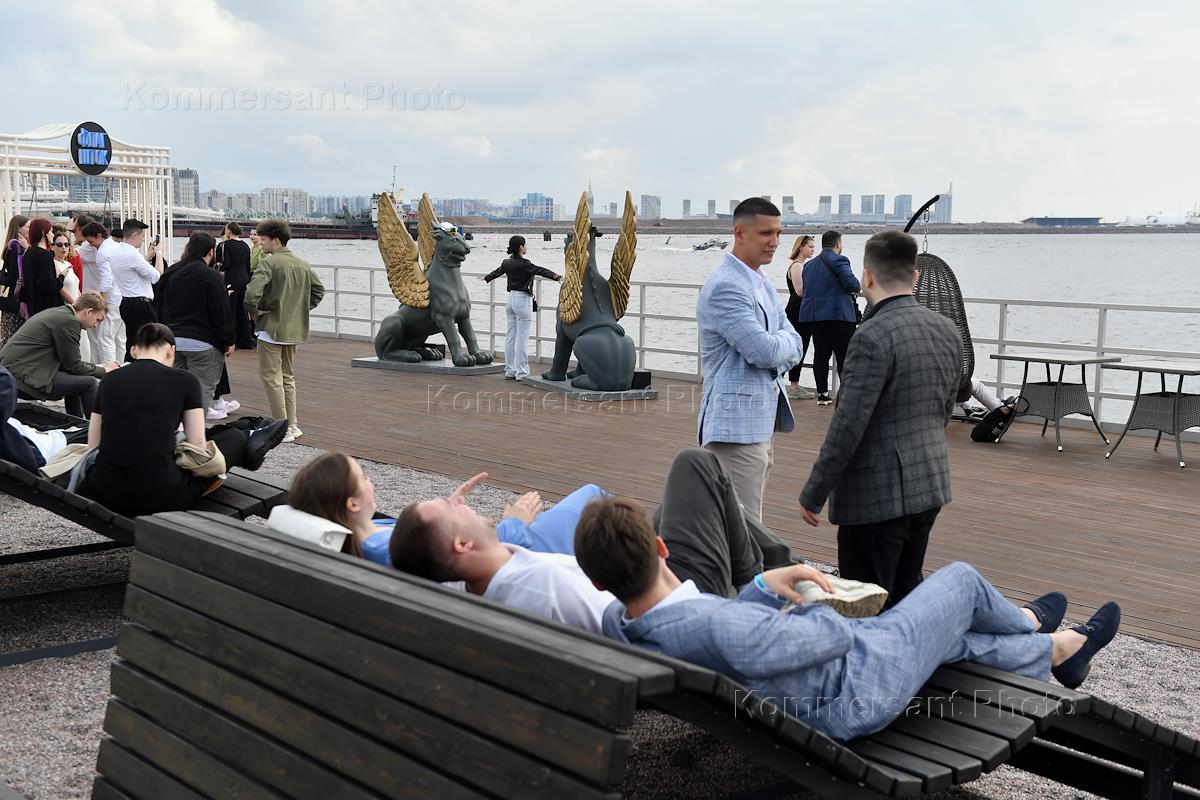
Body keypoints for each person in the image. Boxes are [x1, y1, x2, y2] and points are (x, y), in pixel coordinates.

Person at [572, 495, 1121, 742]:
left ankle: (1058, 650)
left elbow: (731, 640)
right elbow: (825, 638)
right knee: (958, 581)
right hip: (854, 689)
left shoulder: (626, 625)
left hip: (808, 690)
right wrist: (816, 602)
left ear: (599, 582)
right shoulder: (707, 627)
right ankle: (1028, 622)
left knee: (951, 636)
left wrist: (761, 588)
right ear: (662, 548)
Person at [389, 448, 797, 633]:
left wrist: (458, 519)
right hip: (676, 597)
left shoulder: (460, 583)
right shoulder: (550, 589)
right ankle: (760, 576)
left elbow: (418, 550)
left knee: (664, 510)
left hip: (639, 585)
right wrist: (756, 596)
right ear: (462, 546)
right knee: (696, 467)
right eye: (453, 507)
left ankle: (774, 560)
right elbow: (641, 623)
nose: (461, 502)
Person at [798, 230, 962, 607]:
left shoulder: (871, 336)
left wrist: (814, 492)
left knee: (866, 602)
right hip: (929, 483)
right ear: (915, 276)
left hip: (875, 498)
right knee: (906, 595)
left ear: (867, 277)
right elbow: (943, 408)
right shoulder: (947, 330)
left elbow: (848, 425)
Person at [76, 323, 288, 516]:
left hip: (104, 490)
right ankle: (246, 442)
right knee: (233, 439)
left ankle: (247, 435)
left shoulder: (109, 380)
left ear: (133, 350)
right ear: (171, 351)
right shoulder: (185, 380)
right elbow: (198, 446)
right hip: (160, 495)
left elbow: (93, 445)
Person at [695, 198, 803, 524]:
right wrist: (781, 347)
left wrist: (779, 346)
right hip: (734, 429)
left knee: (744, 525)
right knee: (743, 528)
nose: (775, 242)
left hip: (758, 422)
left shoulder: (761, 281)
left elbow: (796, 342)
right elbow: (764, 352)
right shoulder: (726, 286)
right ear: (739, 233)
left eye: (779, 233)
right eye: (766, 233)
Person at [244, 218, 325, 443]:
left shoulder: (268, 263)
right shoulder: (302, 264)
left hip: (270, 328)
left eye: (263, 239)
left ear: (275, 240)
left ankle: (281, 427)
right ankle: (292, 424)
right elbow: (319, 291)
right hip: (293, 329)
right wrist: (300, 309)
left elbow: (251, 295)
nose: (260, 243)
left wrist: (255, 312)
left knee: (272, 378)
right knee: (288, 377)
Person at [154, 232, 234, 418]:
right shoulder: (212, 277)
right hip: (203, 342)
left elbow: (158, 305)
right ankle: (195, 432)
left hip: (173, 339)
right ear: (211, 252)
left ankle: (175, 429)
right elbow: (221, 311)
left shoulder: (171, 272)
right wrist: (228, 340)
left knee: (174, 391)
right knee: (200, 392)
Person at [0, 293, 119, 418]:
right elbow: (74, 365)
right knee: (90, 383)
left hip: (11, 373)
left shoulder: (60, 313)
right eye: (98, 320)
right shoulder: (69, 321)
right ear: (88, 312)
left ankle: (77, 422)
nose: (95, 325)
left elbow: (71, 364)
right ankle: (97, 428)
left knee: (78, 381)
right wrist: (104, 370)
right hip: (22, 378)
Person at [481, 235, 562, 380]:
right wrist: (555, 276)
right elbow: (539, 270)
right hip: (522, 300)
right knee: (522, 338)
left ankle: (510, 370)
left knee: (510, 337)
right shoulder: (524, 264)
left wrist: (487, 278)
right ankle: (522, 372)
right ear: (520, 247)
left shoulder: (506, 262)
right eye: (525, 245)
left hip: (510, 299)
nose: (526, 247)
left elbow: (497, 272)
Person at [799, 230, 861, 405]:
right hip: (838, 315)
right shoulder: (840, 260)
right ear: (838, 244)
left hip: (815, 316)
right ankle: (847, 396)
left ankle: (823, 394)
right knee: (844, 356)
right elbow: (852, 284)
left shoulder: (809, 265)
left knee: (821, 355)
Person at [0, 365, 88, 471]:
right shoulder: (4, 379)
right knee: (89, 383)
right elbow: (74, 364)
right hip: (40, 449)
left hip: (31, 436)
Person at [109, 218, 164, 362]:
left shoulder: (117, 252)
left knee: (132, 342)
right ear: (135, 235)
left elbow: (133, 271)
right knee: (148, 343)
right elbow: (157, 276)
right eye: (142, 236)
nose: (143, 240)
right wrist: (159, 254)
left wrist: (147, 257)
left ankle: (130, 368)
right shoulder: (132, 254)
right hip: (141, 306)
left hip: (126, 302)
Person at [74, 221, 117, 361]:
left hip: (109, 299)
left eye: (91, 241)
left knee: (105, 339)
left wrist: (101, 302)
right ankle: (119, 366)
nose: (91, 245)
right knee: (118, 340)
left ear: (99, 236)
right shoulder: (116, 246)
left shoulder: (102, 252)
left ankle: (107, 370)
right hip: (120, 298)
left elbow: (107, 280)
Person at [784, 235, 816, 400]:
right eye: (810, 246)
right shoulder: (797, 266)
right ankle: (793, 386)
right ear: (801, 247)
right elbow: (800, 291)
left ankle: (793, 383)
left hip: (799, 311)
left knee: (799, 346)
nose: (812, 250)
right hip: (797, 312)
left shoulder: (801, 266)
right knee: (797, 346)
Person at [216, 222, 256, 350]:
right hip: (244, 279)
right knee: (242, 310)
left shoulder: (224, 245)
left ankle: (231, 339)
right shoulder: (245, 245)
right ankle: (245, 339)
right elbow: (248, 265)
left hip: (231, 280)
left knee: (230, 310)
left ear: (228, 231)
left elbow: (224, 264)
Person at [21, 218, 66, 319]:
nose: (53, 235)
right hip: (47, 311)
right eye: (50, 231)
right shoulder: (45, 255)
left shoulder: (28, 254)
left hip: (34, 309)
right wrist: (61, 277)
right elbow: (48, 286)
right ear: (43, 232)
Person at [0, 215, 30, 346]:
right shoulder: (15, 248)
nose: (30, 229)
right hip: (15, 301)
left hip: (12, 300)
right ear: (19, 229)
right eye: (28, 226)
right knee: (13, 338)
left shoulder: (14, 246)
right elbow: (17, 276)